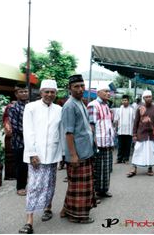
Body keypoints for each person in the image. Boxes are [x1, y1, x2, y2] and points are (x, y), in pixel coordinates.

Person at [17, 80, 63, 234]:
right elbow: (28, 131)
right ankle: (29, 221)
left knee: (50, 183)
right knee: (34, 186)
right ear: (41, 92)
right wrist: (32, 153)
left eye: (52, 92)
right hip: (36, 155)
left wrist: (61, 155)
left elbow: (60, 132)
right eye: (47, 92)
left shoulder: (59, 109)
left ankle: (48, 208)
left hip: (53, 153)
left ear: (56, 93)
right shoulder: (31, 107)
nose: (50, 95)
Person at [59, 74, 97, 224]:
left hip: (85, 150)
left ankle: (66, 209)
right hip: (77, 153)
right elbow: (68, 133)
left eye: (82, 86)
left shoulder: (80, 102)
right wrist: (73, 155)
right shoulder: (69, 106)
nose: (80, 89)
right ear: (70, 88)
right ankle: (78, 217)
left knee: (77, 184)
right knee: (79, 187)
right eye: (76, 86)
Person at [87, 83, 115, 199]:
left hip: (107, 141)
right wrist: (94, 143)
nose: (108, 93)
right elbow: (91, 126)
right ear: (98, 93)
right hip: (98, 143)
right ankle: (94, 193)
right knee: (97, 169)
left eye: (109, 92)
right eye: (105, 91)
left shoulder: (106, 105)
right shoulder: (93, 105)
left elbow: (108, 124)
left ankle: (104, 190)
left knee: (106, 168)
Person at [127, 90, 154, 177]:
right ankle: (134, 168)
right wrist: (134, 134)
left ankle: (150, 168)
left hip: (152, 134)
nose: (148, 98)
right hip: (141, 133)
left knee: (151, 151)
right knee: (137, 150)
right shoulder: (139, 108)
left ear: (152, 97)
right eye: (146, 97)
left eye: (149, 97)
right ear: (143, 98)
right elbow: (136, 122)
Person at [9, 85, 30, 196]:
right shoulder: (13, 107)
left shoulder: (31, 106)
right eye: (21, 92)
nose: (24, 93)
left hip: (31, 142)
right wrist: (30, 133)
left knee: (29, 165)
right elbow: (16, 126)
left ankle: (28, 186)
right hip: (19, 141)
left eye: (25, 91)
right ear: (16, 94)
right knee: (21, 166)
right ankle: (20, 187)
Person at [114, 95, 134, 164]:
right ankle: (119, 159)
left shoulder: (132, 110)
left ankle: (126, 159)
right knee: (120, 146)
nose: (124, 101)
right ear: (121, 101)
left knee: (127, 146)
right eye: (123, 100)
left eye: (126, 100)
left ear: (128, 101)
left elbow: (134, 121)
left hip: (129, 131)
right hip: (120, 131)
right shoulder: (119, 110)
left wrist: (134, 131)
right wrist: (115, 129)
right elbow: (116, 120)